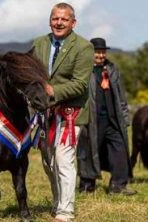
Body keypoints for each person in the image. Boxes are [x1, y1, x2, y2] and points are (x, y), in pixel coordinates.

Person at [32, 3, 94, 222]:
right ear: (50, 20)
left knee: (63, 160)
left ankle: (65, 213)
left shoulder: (84, 47)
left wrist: (51, 90)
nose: (59, 23)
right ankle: (58, 202)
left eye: (64, 19)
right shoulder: (39, 43)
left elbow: (80, 84)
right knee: (48, 163)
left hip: (71, 113)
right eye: (55, 18)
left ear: (73, 22)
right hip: (45, 113)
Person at [77, 37, 137, 196]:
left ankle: (118, 186)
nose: (101, 55)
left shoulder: (112, 69)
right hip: (92, 119)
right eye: (97, 52)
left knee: (120, 150)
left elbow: (121, 95)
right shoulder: (84, 70)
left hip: (113, 119)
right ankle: (86, 186)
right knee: (89, 151)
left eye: (103, 52)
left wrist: (124, 117)